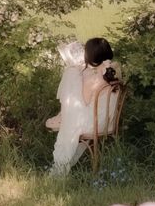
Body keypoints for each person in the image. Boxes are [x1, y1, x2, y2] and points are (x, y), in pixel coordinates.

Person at [46, 37, 122, 175]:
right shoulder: (114, 68)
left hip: (95, 123)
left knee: (71, 73)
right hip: (108, 120)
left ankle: (60, 167)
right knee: (73, 74)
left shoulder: (95, 77)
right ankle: (63, 116)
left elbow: (85, 102)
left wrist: (80, 77)